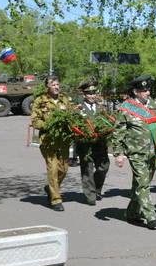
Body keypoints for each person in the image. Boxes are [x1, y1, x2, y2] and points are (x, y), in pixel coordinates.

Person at [110, 75, 156, 229]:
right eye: (143, 90)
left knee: (140, 185)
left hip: (153, 152)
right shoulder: (127, 108)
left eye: (148, 90)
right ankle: (151, 216)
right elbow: (118, 132)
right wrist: (118, 153)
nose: (147, 93)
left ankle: (131, 213)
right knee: (143, 184)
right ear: (135, 92)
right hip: (136, 153)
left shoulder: (155, 106)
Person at [31, 75, 73, 212]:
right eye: (53, 84)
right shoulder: (40, 101)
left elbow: (71, 116)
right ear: (47, 87)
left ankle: (50, 188)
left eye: (57, 84)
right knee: (53, 169)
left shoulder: (64, 100)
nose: (56, 87)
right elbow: (35, 121)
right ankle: (56, 200)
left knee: (63, 169)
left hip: (63, 141)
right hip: (48, 141)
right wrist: (50, 125)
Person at [73, 81, 110, 206]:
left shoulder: (102, 107)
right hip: (85, 145)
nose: (92, 96)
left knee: (103, 167)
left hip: (100, 143)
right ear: (84, 95)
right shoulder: (78, 109)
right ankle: (90, 195)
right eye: (89, 94)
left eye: (94, 93)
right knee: (87, 169)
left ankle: (96, 189)